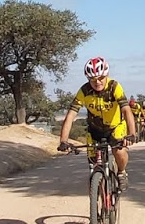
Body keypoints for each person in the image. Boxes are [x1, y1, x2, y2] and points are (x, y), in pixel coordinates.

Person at [57, 56, 138, 184]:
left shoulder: (114, 87)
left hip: (115, 127)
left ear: (107, 75)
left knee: (119, 151)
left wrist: (132, 134)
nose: (97, 82)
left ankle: (121, 172)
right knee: (93, 162)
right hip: (94, 129)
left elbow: (126, 110)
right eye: (92, 79)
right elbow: (71, 115)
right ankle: (96, 189)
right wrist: (63, 140)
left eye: (101, 78)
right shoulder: (84, 91)